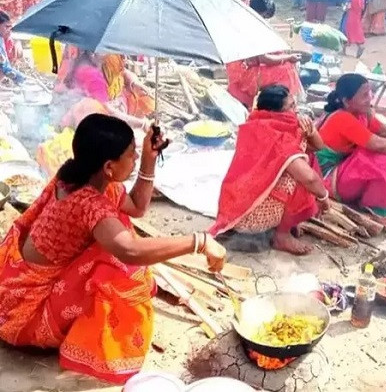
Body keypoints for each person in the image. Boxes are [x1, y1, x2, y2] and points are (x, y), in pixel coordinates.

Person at [0, 114, 226, 383]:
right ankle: (103, 345)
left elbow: (136, 207)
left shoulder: (81, 175)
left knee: (118, 228)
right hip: (24, 312)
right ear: (108, 167)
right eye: (131, 155)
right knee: (117, 263)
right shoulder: (88, 203)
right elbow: (129, 251)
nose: (133, 161)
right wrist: (198, 242)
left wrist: (148, 158)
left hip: (15, 286)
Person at [210, 85, 329, 255]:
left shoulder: (259, 120)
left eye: (294, 105)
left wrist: (310, 130)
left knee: (305, 157)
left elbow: (318, 146)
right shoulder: (277, 135)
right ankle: (282, 235)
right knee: (299, 175)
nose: (296, 111)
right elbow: (309, 178)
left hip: (241, 201)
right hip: (252, 213)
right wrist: (323, 197)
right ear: (276, 112)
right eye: (291, 107)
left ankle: (285, 224)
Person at [316, 74, 386, 227]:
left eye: (370, 92)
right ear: (346, 101)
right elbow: (376, 143)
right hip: (326, 177)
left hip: (343, 169)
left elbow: (382, 130)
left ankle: (376, 201)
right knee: (382, 158)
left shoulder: (361, 114)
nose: (370, 98)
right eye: (364, 95)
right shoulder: (342, 119)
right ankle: (380, 208)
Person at [226, 0, 302, 109]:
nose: (265, 19)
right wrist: (288, 57)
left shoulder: (244, 10)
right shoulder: (250, 25)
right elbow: (263, 58)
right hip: (245, 72)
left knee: (281, 55)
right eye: (264, 16)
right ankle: (279, 105)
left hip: (238, 65)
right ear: (259, 12)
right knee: (287, 68)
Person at [54, 49, 152, 131]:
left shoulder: (109, 53)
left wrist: (133, 82)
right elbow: (109, 113)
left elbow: (121, 71)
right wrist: (141, 125)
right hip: (91, 119)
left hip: (114, 102)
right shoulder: (89, 73)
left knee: (146, 101)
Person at [0, 11, 24, 85]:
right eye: (6, 27)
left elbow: (5, 66)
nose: (9, 31)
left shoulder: (2, 39)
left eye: (10, 28)